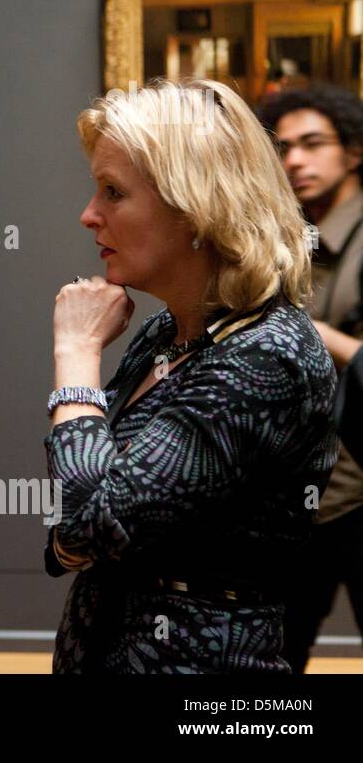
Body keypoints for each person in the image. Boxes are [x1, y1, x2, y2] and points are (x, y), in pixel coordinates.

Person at [43, 77, 338, 673]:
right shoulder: (168, 333)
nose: (88, 215)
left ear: (196, 205)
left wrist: (75, 352)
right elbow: (79, 514)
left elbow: (86, 522)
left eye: (113, 192)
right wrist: (79, 531)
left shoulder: (266, 354)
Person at [258, 83, 363, 671]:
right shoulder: (281, 239)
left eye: (313, 143)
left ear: (352, 151)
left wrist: (311, 334)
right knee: (271, 662)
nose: (295, 159)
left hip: (357, 491)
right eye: (284, 147)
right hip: (298, 496)